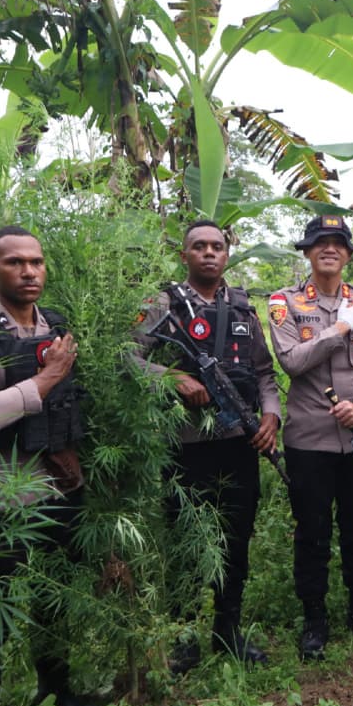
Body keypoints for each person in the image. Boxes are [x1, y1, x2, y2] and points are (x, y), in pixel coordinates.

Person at [0, 226, 100, 706]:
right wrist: (48, 377)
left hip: (55, 485)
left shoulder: (57, 328)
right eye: (15, 263)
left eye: (37, 261)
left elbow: (69, 406)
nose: (30, 271)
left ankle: (54, 696)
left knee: (54, 598)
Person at [134, 220, 281, 673]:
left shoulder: (243, 308)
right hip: (185, 445)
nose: (209, 253)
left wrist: (272, 417)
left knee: (236, 540)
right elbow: (127, 357)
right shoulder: (160, 304)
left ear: (227, 255)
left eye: (217, 246)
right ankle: (182, 638)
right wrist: (171, 377)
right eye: (199, 246)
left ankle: (227, 630)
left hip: (239, 443)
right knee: (185, 541)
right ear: (185, 255)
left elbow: (263, 373)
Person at [268, 215, 353, 660]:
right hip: (309, 441)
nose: (329, 249)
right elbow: (291, 360)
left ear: (347, 253)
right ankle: (314, 620)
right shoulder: (285, 304)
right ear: (307, 251)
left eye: (338, 243)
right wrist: (339, 329)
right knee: (313, 532)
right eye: (320, 242)